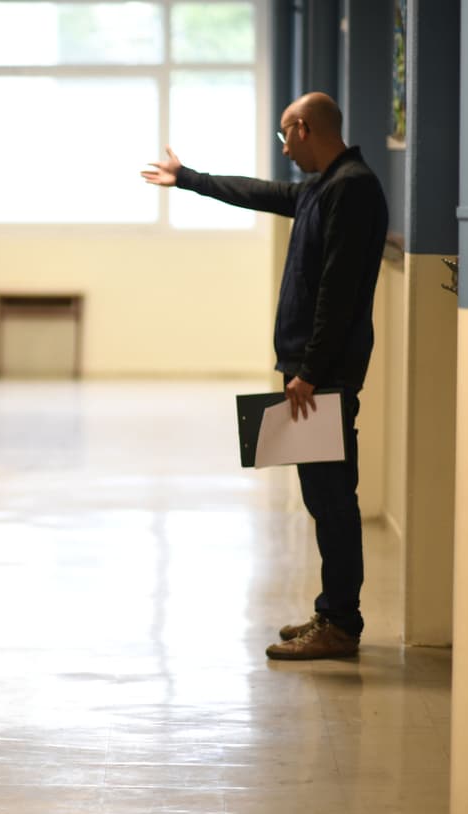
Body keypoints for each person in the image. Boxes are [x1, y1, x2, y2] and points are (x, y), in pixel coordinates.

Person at [141, 91, 388, 661]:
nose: (283, 147)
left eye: (285, 134)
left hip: (322, 373)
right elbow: (263, 193)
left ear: (304, 127)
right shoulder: (326, 187)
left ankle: (340, 624)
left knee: (332, 497)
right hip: (312, 370)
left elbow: (338, 291)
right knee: (323, 495)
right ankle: (332, 612)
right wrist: (189, 179)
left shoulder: (351, 187)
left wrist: (310, 370)